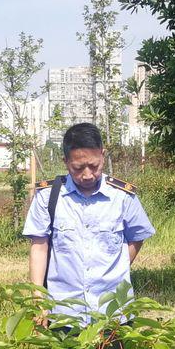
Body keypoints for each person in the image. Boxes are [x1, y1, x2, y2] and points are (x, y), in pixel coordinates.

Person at [23, 122, 155, 326]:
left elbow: (137, 238)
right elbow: (39, 247)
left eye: (94, 166)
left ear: (102, 155)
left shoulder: (122, 196)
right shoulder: (48, 197)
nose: (87, 175)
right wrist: (38, 299)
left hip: (113, 312)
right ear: (65, 161)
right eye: (78, 168)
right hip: (65, 314)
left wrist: (115, 269)